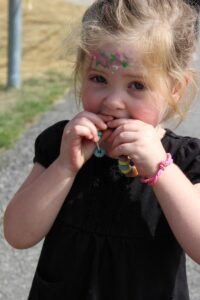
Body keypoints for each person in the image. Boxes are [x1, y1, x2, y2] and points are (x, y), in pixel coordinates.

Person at [3, 0, 200, 299]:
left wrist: (161, 169)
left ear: (175, 88)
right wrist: (64, 168)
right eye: (98, 79)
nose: (113, 102)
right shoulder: (62, 144)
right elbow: (17, 234)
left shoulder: (184, 162)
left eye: (137, 85)